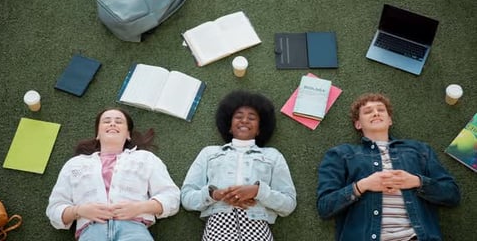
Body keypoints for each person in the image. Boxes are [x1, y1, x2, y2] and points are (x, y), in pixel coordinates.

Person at [317, 93, 461, 241]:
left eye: (381, 110)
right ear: (358, 124)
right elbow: (324, 207)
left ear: (390, 120)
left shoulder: (419, 150)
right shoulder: (340, 154)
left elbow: (452, 195)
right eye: (367, 111)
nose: (375, 113)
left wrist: (416, 182)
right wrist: (363, 185)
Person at [46, 108, 180, 241]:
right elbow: (54, 210)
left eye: (119, 121)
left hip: (134, 230)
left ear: (128, 134)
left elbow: (171, 197)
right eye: (106, 121)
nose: (112, 124)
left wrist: (139, 207)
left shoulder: (146, 159)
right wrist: (79, 210)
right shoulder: (74, 164)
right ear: (97, 134)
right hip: (91, 232)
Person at [181, 90, 297, 241]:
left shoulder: (273, 156)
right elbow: (186, 197)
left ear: (259, 129)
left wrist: (258, 191)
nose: (244, 121)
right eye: (238, 116)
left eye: (252, 118)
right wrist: (214, 194)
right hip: (217, 229)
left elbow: (289, 204)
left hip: (258, 230)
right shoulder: (209, 153)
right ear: (229, 126)